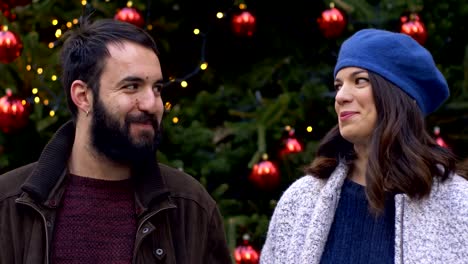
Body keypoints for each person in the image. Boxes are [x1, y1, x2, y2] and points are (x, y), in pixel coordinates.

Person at [0, 16, 231, 264]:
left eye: (157, 88)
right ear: (83, 96)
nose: (152, 104)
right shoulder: (8, 205)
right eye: (132, 86)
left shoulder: (190, 206)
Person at [260, 29, 468, 264]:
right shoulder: (300, 201)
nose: (341, 97)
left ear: (398, 95)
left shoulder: (458, 204)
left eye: (360, 81)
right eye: (338, 85)